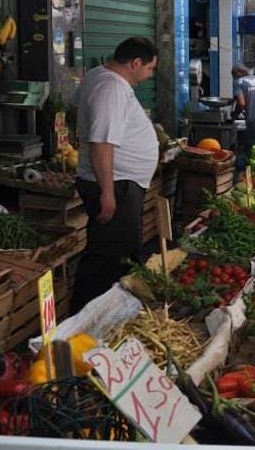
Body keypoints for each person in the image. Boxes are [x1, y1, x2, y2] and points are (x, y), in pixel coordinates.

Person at [73, 37, 159, 310]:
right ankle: (89, 320)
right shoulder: (111, 88)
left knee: (118, 253)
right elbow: (101, 143)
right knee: (108, 259)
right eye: (149, 69)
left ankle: (109, 315)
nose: (149, 76)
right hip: (115, 186)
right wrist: (108, 192)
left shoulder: (99, 76)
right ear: (135, 63)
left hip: (119, 183)